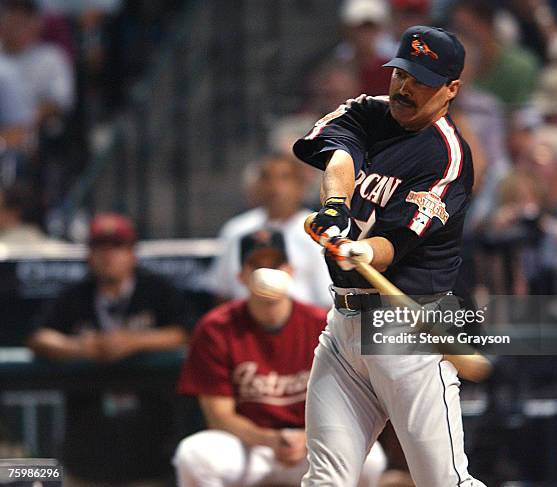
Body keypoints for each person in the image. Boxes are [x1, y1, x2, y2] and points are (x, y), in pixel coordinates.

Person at [293, 25, 485, 486]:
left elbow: (393, 246)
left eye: (421, 79)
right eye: (401, 72)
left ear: (451, 89)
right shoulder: (367, 111)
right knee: (325, 480)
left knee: (444, 482)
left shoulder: (448, 158)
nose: (404, 86)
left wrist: (360, 248)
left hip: (406, 331)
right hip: (343, 329)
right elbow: (339, 154)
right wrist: (335, 207)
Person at [173, 229, 386, 487]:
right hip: (249, 446)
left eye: (275, 265)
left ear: (291, 271)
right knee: (194, 455)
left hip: (312, 444)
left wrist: (307, 439)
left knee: (371, 458)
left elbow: (349, 404)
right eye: (258, 266)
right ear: (241, 276)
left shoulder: (322, 322)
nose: (268, 273)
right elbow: (219, 416)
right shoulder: (216, 327)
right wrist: (271, 440)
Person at [28, 213, 190, 487]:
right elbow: (39, 337)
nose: (108, 256)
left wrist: (135, 341)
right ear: (89, 255)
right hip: (88, 441)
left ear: (132, 254)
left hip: (150, 441)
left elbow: (186, 332)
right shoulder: (75, 295)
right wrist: (79, 346)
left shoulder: (156, 290)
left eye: (117, 247)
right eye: (100, 248)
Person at [207, 153, 332, 307]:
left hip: (304, 326)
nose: (275, 186)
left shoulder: (320, 230)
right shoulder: (236, 229)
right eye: (266, 178)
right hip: (245, 324)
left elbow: (329, 301)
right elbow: (222, 293)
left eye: (285, 178)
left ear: (301, 185)